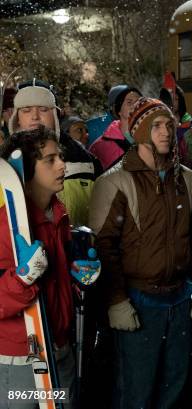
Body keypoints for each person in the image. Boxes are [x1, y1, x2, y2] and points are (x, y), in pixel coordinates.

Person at [89, 97, 192, 409]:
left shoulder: (189, 180)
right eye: (156, 126)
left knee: (174, 387)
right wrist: (116, 301)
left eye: (168, 124)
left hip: (179, 299)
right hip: (138, 300)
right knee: (135, 392)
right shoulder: (115, 182)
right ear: (139, 133)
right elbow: (104, 247)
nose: (165, 131)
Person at [0, 126, 101, 408]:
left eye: (61, 157)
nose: (62, 165)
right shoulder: (4, 225)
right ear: (24, 169)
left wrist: (78, 275)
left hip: (58, 348)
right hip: (20, 361)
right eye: (50, 159)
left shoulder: (58, 215)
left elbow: (58, 280)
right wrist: (21, 280)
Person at [8, 79, 101, 227]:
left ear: (55, 114)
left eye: (43, 109)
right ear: (16, 118)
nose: (35, 116)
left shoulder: (84, 161)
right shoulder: (4, 161)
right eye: (26, 110)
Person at [89, 84, 142, 171]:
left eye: (139, 102)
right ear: (118, 110)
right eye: (129, 102)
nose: (135, 106)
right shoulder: (101, 146)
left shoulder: (152, 138)